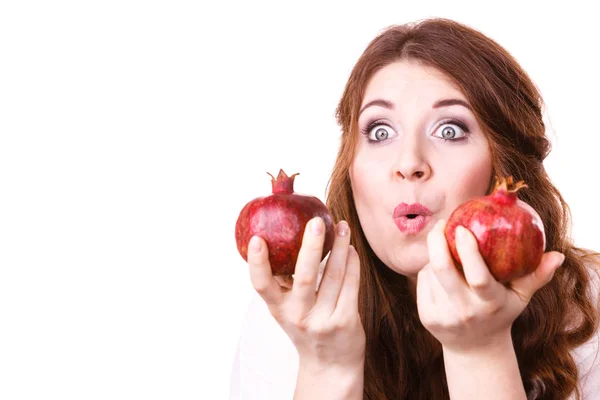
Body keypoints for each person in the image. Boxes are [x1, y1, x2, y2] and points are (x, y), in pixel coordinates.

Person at [230, 17, 600, 400]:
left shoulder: (593, 311)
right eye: (380, 131)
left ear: (505, 168)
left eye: (451, 130)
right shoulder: (296, 319)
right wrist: (327, 368)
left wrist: (480, 353)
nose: (409, 163)